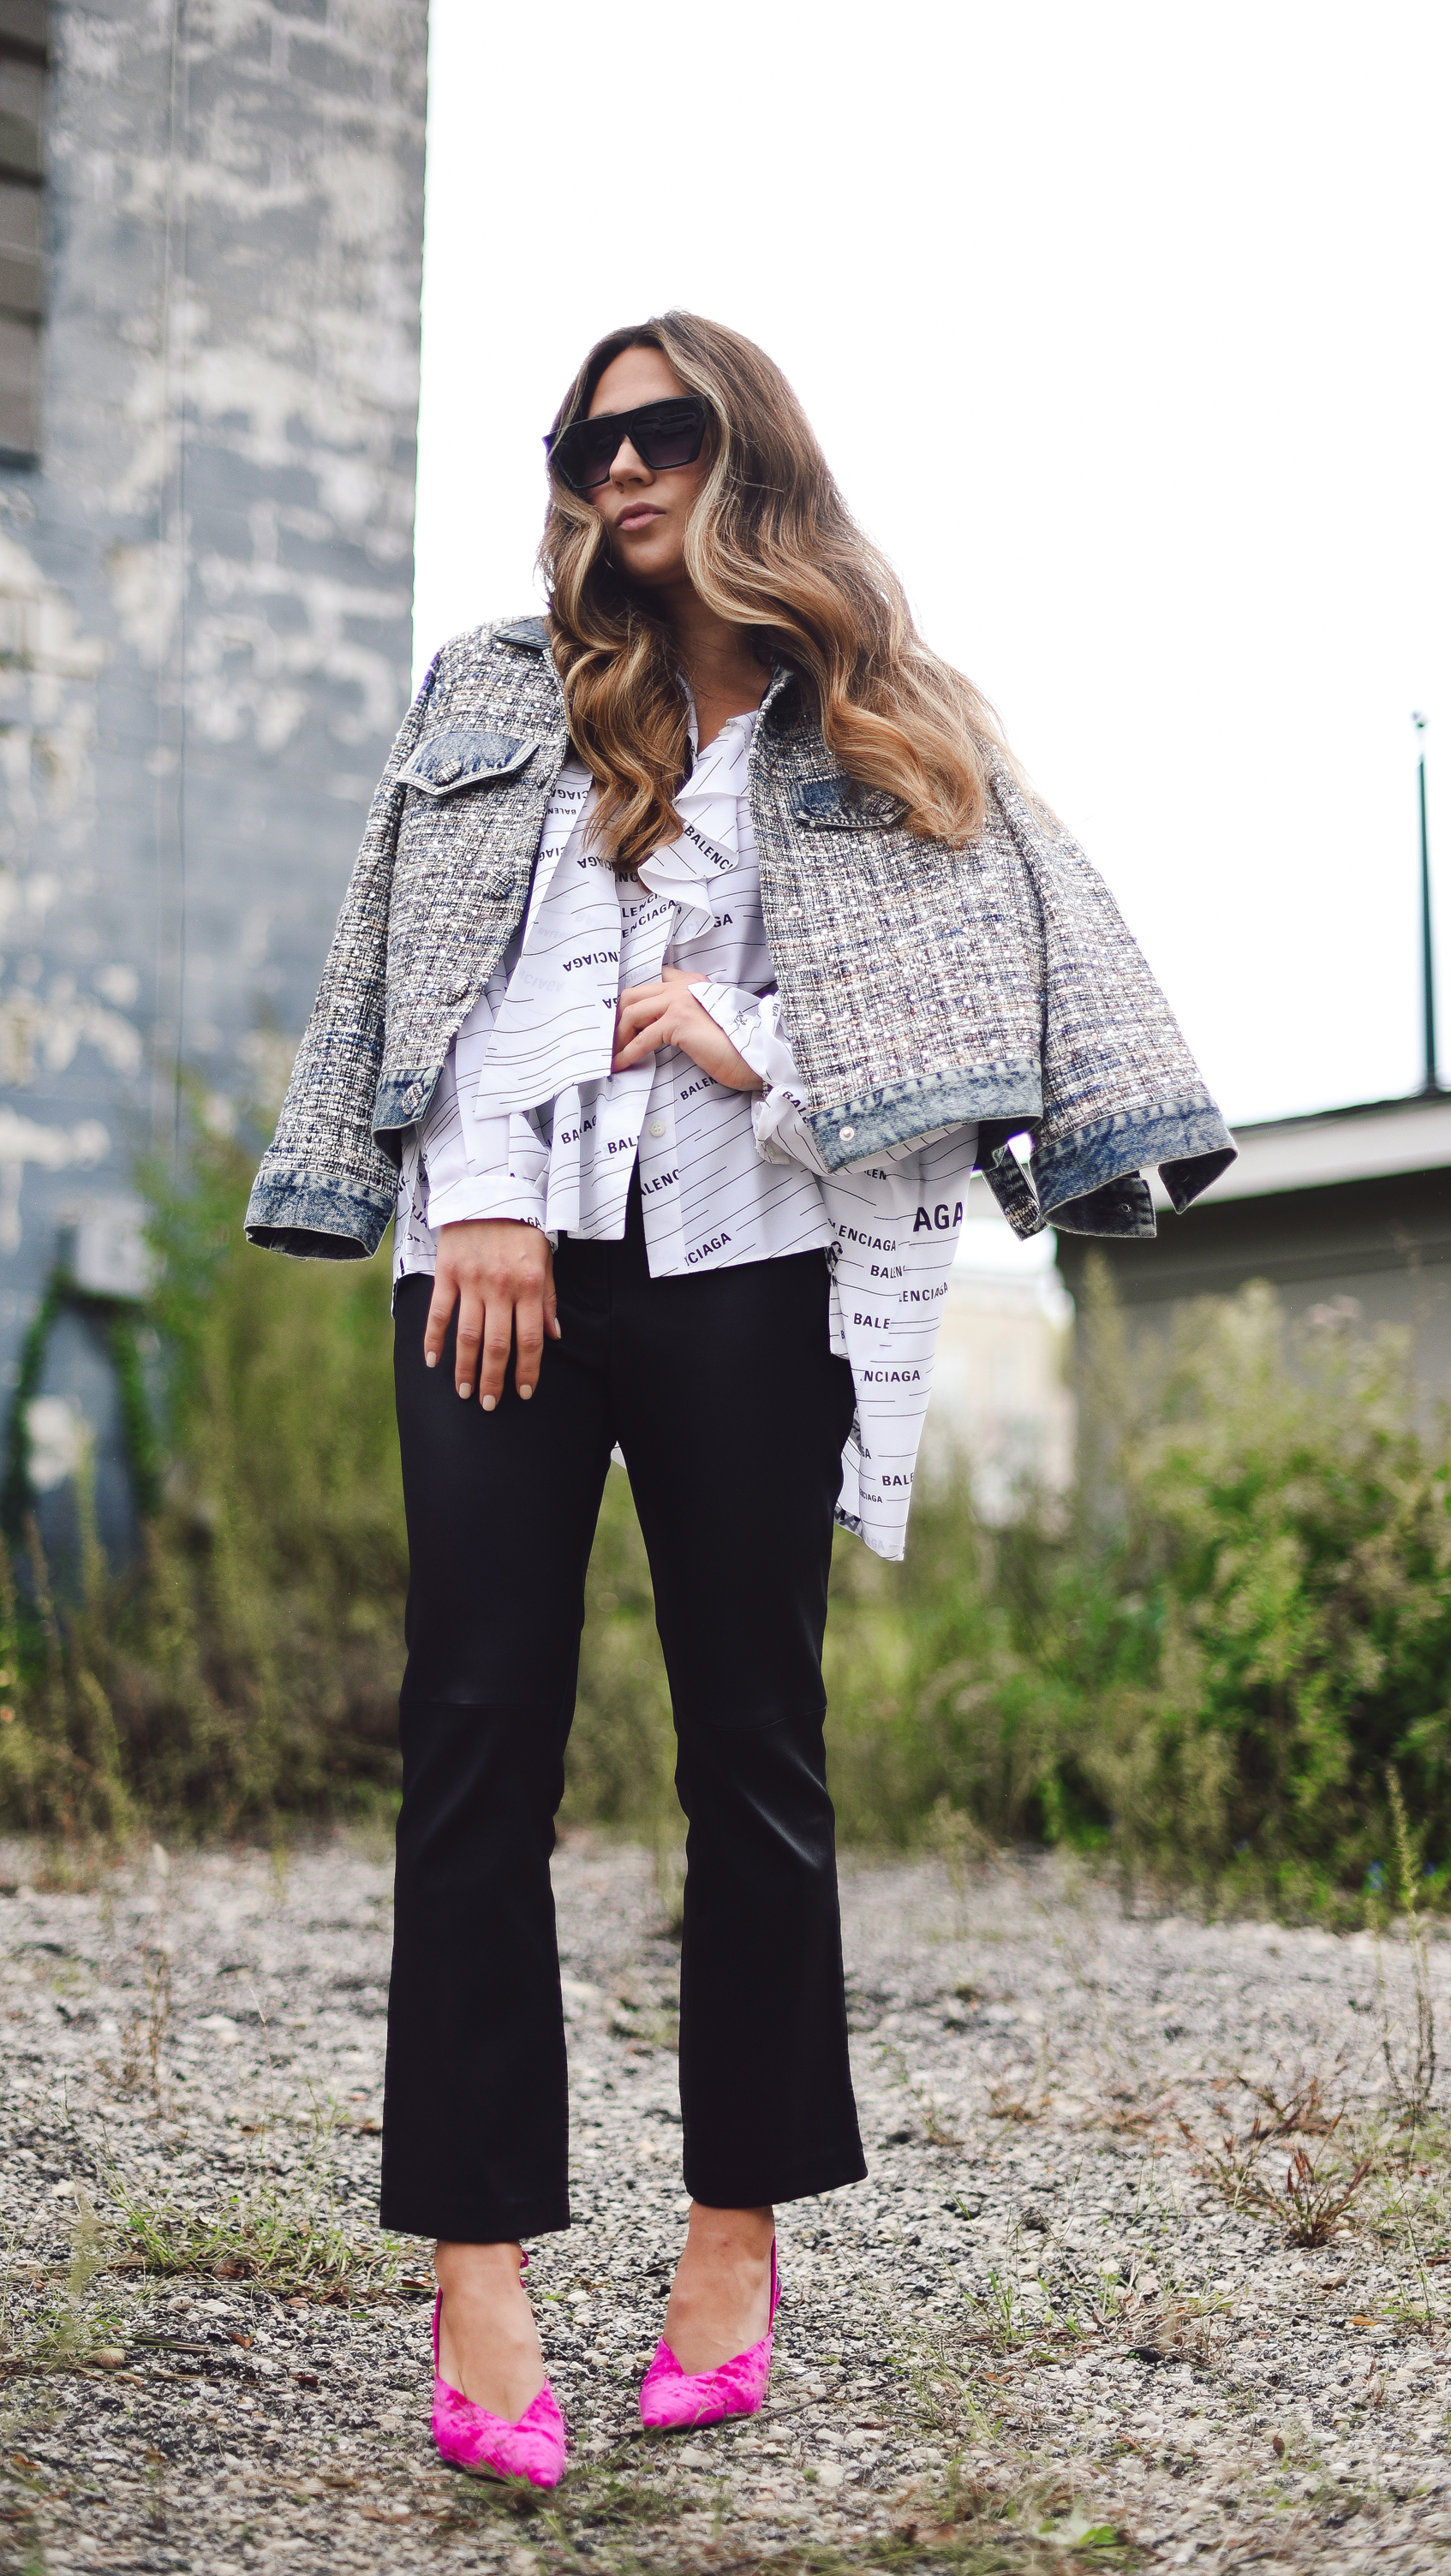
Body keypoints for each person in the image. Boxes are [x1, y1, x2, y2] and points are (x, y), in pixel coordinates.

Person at [248, 312, 1233, 2485]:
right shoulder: (497, 691)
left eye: (658, 431)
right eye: (587, 439)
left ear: (743, 450)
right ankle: (475, 2271)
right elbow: (448, 971)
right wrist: (484, 1198)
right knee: (473, 1746)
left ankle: (732, 2235)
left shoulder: (877, 721)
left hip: (753, 1267)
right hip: (497, 1270)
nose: (617, 470)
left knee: (751, 1760)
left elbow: (938, 1027)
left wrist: (738, 1044)